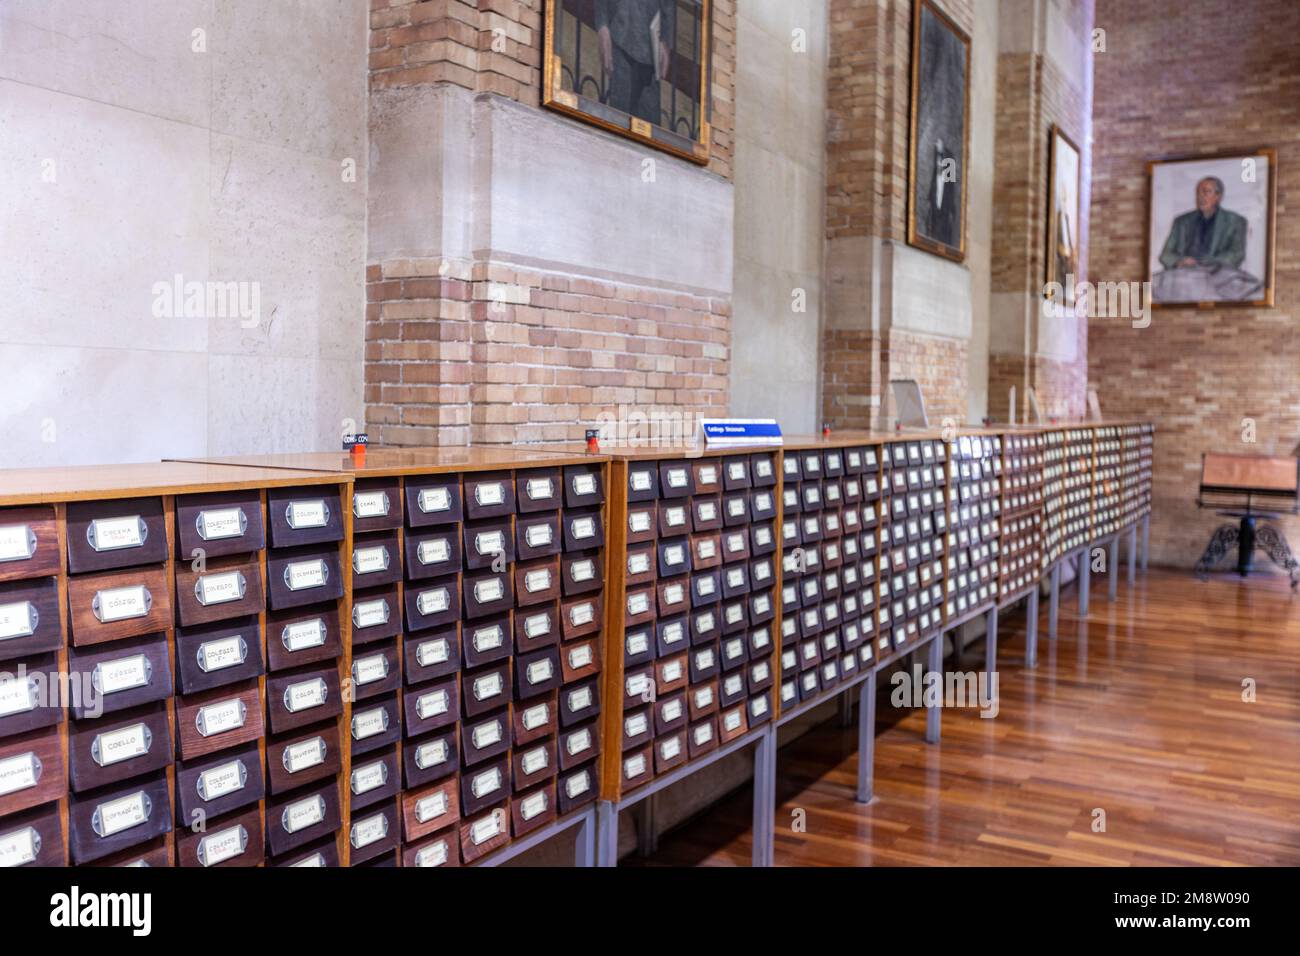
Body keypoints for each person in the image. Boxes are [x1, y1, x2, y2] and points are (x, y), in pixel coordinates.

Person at [596, 0, 675, 126]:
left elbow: (668, 5)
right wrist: (602, 26)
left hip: (650, 49)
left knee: (649, 127)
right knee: (619, 120)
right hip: (621, 37)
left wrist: (666, 41)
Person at [1157, 176, 1247, 270]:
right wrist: (1181, 261)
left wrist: (1206, 263)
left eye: (1206, 192)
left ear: (1218, 196)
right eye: (1198, 192)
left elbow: (1237, 254)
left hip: (1218, 275)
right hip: (1184, 273)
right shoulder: (1181, 221)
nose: (1200, 196)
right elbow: (1165, 255)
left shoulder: (1235, 221)